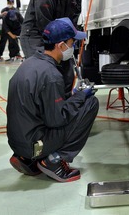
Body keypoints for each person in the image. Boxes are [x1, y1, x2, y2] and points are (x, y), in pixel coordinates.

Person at [7, 17, 99, 182]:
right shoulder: (51, 75)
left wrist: (72, 96)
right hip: (34, 144)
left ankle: (27, 159)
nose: (73, 47)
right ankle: (54, 160)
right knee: (91, 103)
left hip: (18, 143)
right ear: (61, 45)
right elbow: (57, 120)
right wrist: (80, 97)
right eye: (72, 43)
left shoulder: (29, 63)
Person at [20, 0, 85, 91]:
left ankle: (63, 106)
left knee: (66, 73)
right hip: (36, 34)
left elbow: (74, 15)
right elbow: (45, 26)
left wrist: (70, 40)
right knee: (44, 71)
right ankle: (44, 107)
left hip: (60, 32)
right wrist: (61, 46)